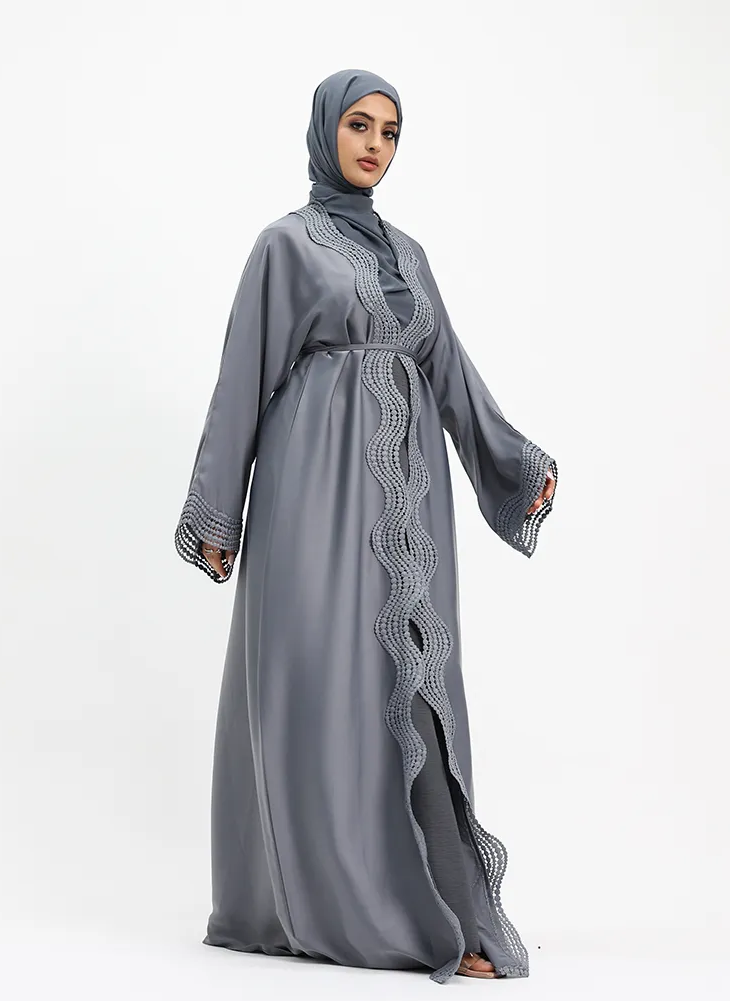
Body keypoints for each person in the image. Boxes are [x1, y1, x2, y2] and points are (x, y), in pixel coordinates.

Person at [174, 68, 558, 985]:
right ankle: (318, 901)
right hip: (313, 489)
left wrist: (514, 462)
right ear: (325, 131)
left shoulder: (410, 257)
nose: (375, 145)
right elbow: (242, 377)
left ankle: (443, 902)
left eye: (389, 131)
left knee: (415, 683)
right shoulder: (284, 245)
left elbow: (449, 370)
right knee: (317, 680)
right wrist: (218, 508)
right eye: (359, 125)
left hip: (409, 497)